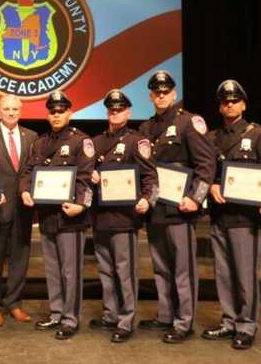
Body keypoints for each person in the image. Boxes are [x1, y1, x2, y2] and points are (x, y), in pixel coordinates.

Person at [137, 70, 216, 343]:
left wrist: (196, 197)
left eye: (166, 91)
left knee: (183, 268)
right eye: (156, 92)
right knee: (161, 267)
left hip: (180, 208)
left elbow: (206, 165)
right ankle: (164, 315)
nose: (161, 95)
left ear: (174, 94)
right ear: (150, 96)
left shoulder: (188, 122)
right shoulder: (146, 128)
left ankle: (184, 322)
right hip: (156, 209)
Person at [201, 79, 261, 350]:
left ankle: (246, 325)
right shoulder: (211, 138)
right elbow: (206, 172)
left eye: (234, 100)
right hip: (220, 215)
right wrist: (210, 185)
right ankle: (229, 321)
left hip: (247, 219)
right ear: (220, 107)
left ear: (243, 104)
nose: (229, 105)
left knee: (245, 274)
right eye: (225, 101)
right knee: (223, 273)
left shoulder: (259, 135)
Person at [19, 90, 95, 340]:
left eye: (61, 111)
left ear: (69, 113)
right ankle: (56, 313)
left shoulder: (80, 141)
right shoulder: (39, 143)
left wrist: (82, 206)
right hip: (48, 216)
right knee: (52, 269)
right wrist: (25, 191)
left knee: (70, 272)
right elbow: (28, 173)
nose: (56, 115)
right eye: (52, 111)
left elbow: (85, 180)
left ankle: (70, 319)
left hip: (71, 217)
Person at [88, 89, 158, 343]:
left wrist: (146, 200)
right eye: (111, 110)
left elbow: (150, 176)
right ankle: (110, 314)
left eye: (120, 109)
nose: (115, 113)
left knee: (124, 271)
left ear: (128, 112)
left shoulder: (136, 141)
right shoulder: (95, 143)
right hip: (100, 217)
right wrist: (91, 175)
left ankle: (126, 320)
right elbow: (85, 174)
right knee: (105, 271)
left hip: (124, 219)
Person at [0, 94, 38, 327]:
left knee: (20, 257)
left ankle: (14, 303)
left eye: (15, 108)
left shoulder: (32, 137)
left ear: (21, 111)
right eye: (7, 108)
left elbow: (33, 170)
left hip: (23, 208)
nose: (11, 112)